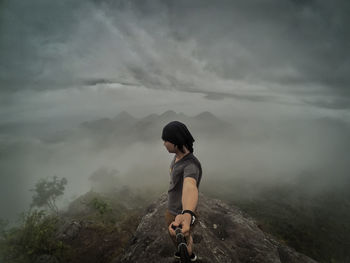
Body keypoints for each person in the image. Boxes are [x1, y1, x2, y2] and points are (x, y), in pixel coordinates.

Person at [162, 120, 202, 262]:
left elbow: (190, 186)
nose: (164, 143)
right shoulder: (178, 156)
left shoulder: (191, 165)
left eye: (165, 140)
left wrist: (187, 213)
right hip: (173, 209)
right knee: (180, 238)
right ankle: (182, 251)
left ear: (175, 142)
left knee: (183, 239)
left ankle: (189, 256)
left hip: (180, 213)